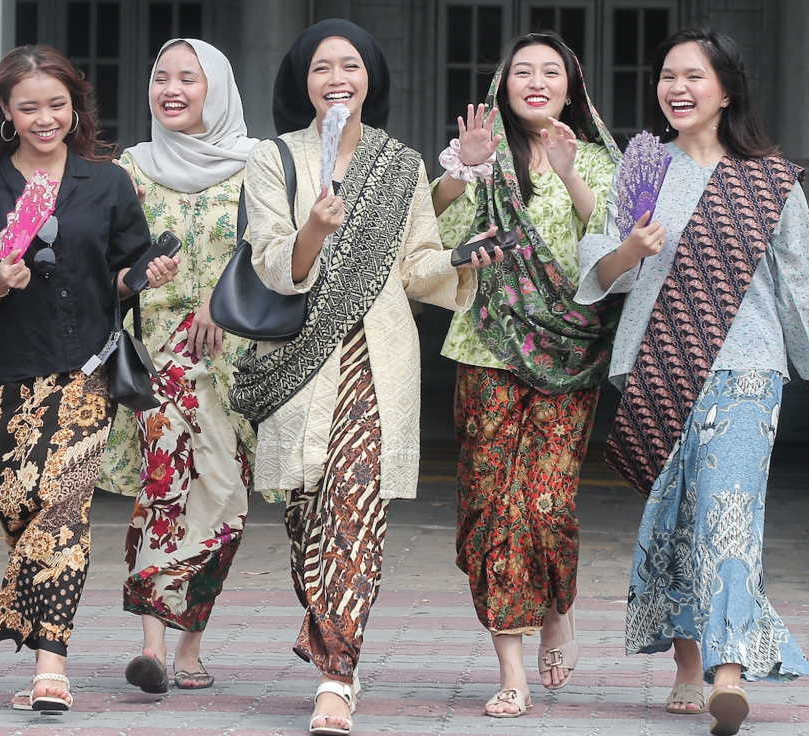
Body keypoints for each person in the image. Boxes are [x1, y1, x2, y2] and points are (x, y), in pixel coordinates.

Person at [576, 28, 809, 736]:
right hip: (658, 367)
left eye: (693, 77)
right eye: (667, 75)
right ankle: (686, 664)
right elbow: (596, 272)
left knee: (728, 513)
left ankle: (728, 670)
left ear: (727, 89)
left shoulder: (771, 179)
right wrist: (628, 249)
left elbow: (800, 284)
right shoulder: (644, 167)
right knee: (678, 517)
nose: (676, 88)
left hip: (748, 368)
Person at [229, 19, 494, 736]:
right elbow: (268, 261)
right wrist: (314, 228)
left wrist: (462, 259)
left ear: (371, 77)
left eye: (350, 65)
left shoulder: (400, 164)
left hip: (377, 365)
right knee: (307, 520)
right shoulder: (272, 160)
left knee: (355, 511)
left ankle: (335, 678)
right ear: (302, 81)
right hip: (296, 365)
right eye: (322, 67)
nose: (336, 78)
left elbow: (416, 268)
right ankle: (332, 637)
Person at [0, 45, 179, 713]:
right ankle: (36, 610)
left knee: (62, 509)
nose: (46, 117)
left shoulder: (103, 184)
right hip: (7, 375)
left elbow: (125, 271)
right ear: (7, 115)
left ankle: (52, 666)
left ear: (74, 108)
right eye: (30, 107)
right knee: (15, 501)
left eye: (57, 104)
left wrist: (146, 275)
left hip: (85, 372)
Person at [431, 32, 621, 718]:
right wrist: (462, 170)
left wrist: (572, 174)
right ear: (503, 84)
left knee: (547, 505)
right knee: (490, 508)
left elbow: (615, 245)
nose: (536, 82)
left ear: (572, 87)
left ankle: (558, 606)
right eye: (523, 72)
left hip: (572, 354)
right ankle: (510, 670)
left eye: (551, 72)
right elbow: (430, 230)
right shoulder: (479, 155)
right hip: (486, 347)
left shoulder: (599, 159)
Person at [98, 38, 259, 693]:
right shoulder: (128, 170)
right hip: (159, 360)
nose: (171, 89)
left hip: (235, 367)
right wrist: (137, 277)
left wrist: (227, 301)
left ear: (214, 89)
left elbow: (276, 259)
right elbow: (101, 270)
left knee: (226, 504)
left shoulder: (260, 166)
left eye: (187, 79)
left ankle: (192, 641)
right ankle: (153, 649)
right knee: (162, 496)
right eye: (160, 77)